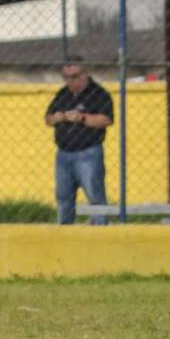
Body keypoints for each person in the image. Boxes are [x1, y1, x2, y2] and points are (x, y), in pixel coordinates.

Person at [44, 58, 114, 225]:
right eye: (66, 77)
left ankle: (100, 229)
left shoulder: (98, 93)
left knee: (95, 195)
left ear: (85, 73)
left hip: (88, 153)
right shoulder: (62, 94)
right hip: (63, 154)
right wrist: (56, 118)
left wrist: (82, 117)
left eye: (74, 76)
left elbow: (106, 120)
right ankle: (65, 230)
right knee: (63, 197)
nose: (70, 81)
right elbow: (47, 119)